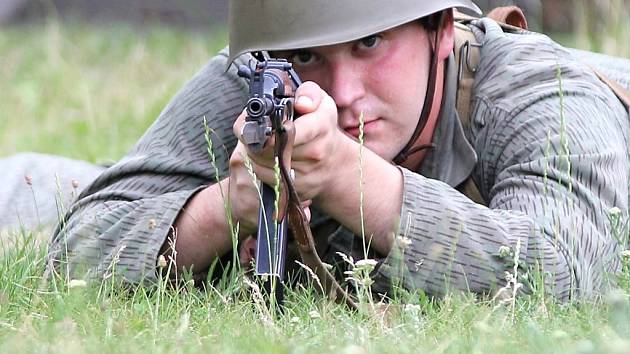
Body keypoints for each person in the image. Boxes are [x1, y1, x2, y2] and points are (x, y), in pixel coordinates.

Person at [46, 0, 630, 302]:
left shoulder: (544, 93)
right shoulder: (261, 76)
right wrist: (231, 205)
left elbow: (562, 277)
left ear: (442, 28)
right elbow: (72, 255)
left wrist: (351, 182)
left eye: (370, 44)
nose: (342, 93)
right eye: (308, 57)